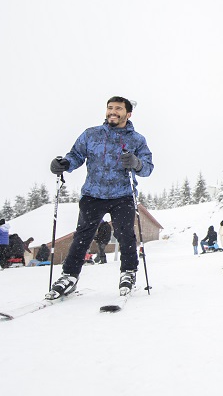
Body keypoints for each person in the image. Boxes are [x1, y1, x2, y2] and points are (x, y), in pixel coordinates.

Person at [46, 96, 153, 299]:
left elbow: (147, 168)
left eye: (118, 108)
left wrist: (136, 162)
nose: (113, 111)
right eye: (110, 108)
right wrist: (64, 164)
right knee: (83, 236)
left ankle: (128, 273)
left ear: (128, 114)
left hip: (123, 194)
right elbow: (76, 156)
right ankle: (69, 276)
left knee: (125, 234)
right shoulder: (91, 134)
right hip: (93, 194)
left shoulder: (137, 140)